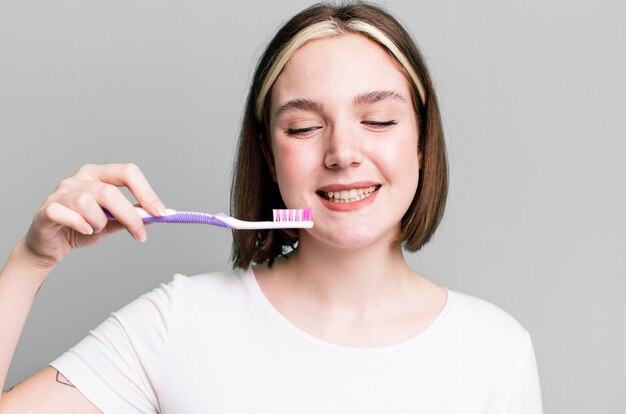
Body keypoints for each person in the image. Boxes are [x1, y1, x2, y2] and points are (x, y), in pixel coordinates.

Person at [0, 2, 542, 413]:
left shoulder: (496, 350)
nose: (343, 153)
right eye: (304, 127)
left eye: (378, 120)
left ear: (422, 141)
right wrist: (30, 262)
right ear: (268, 151)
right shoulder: (178, 325)